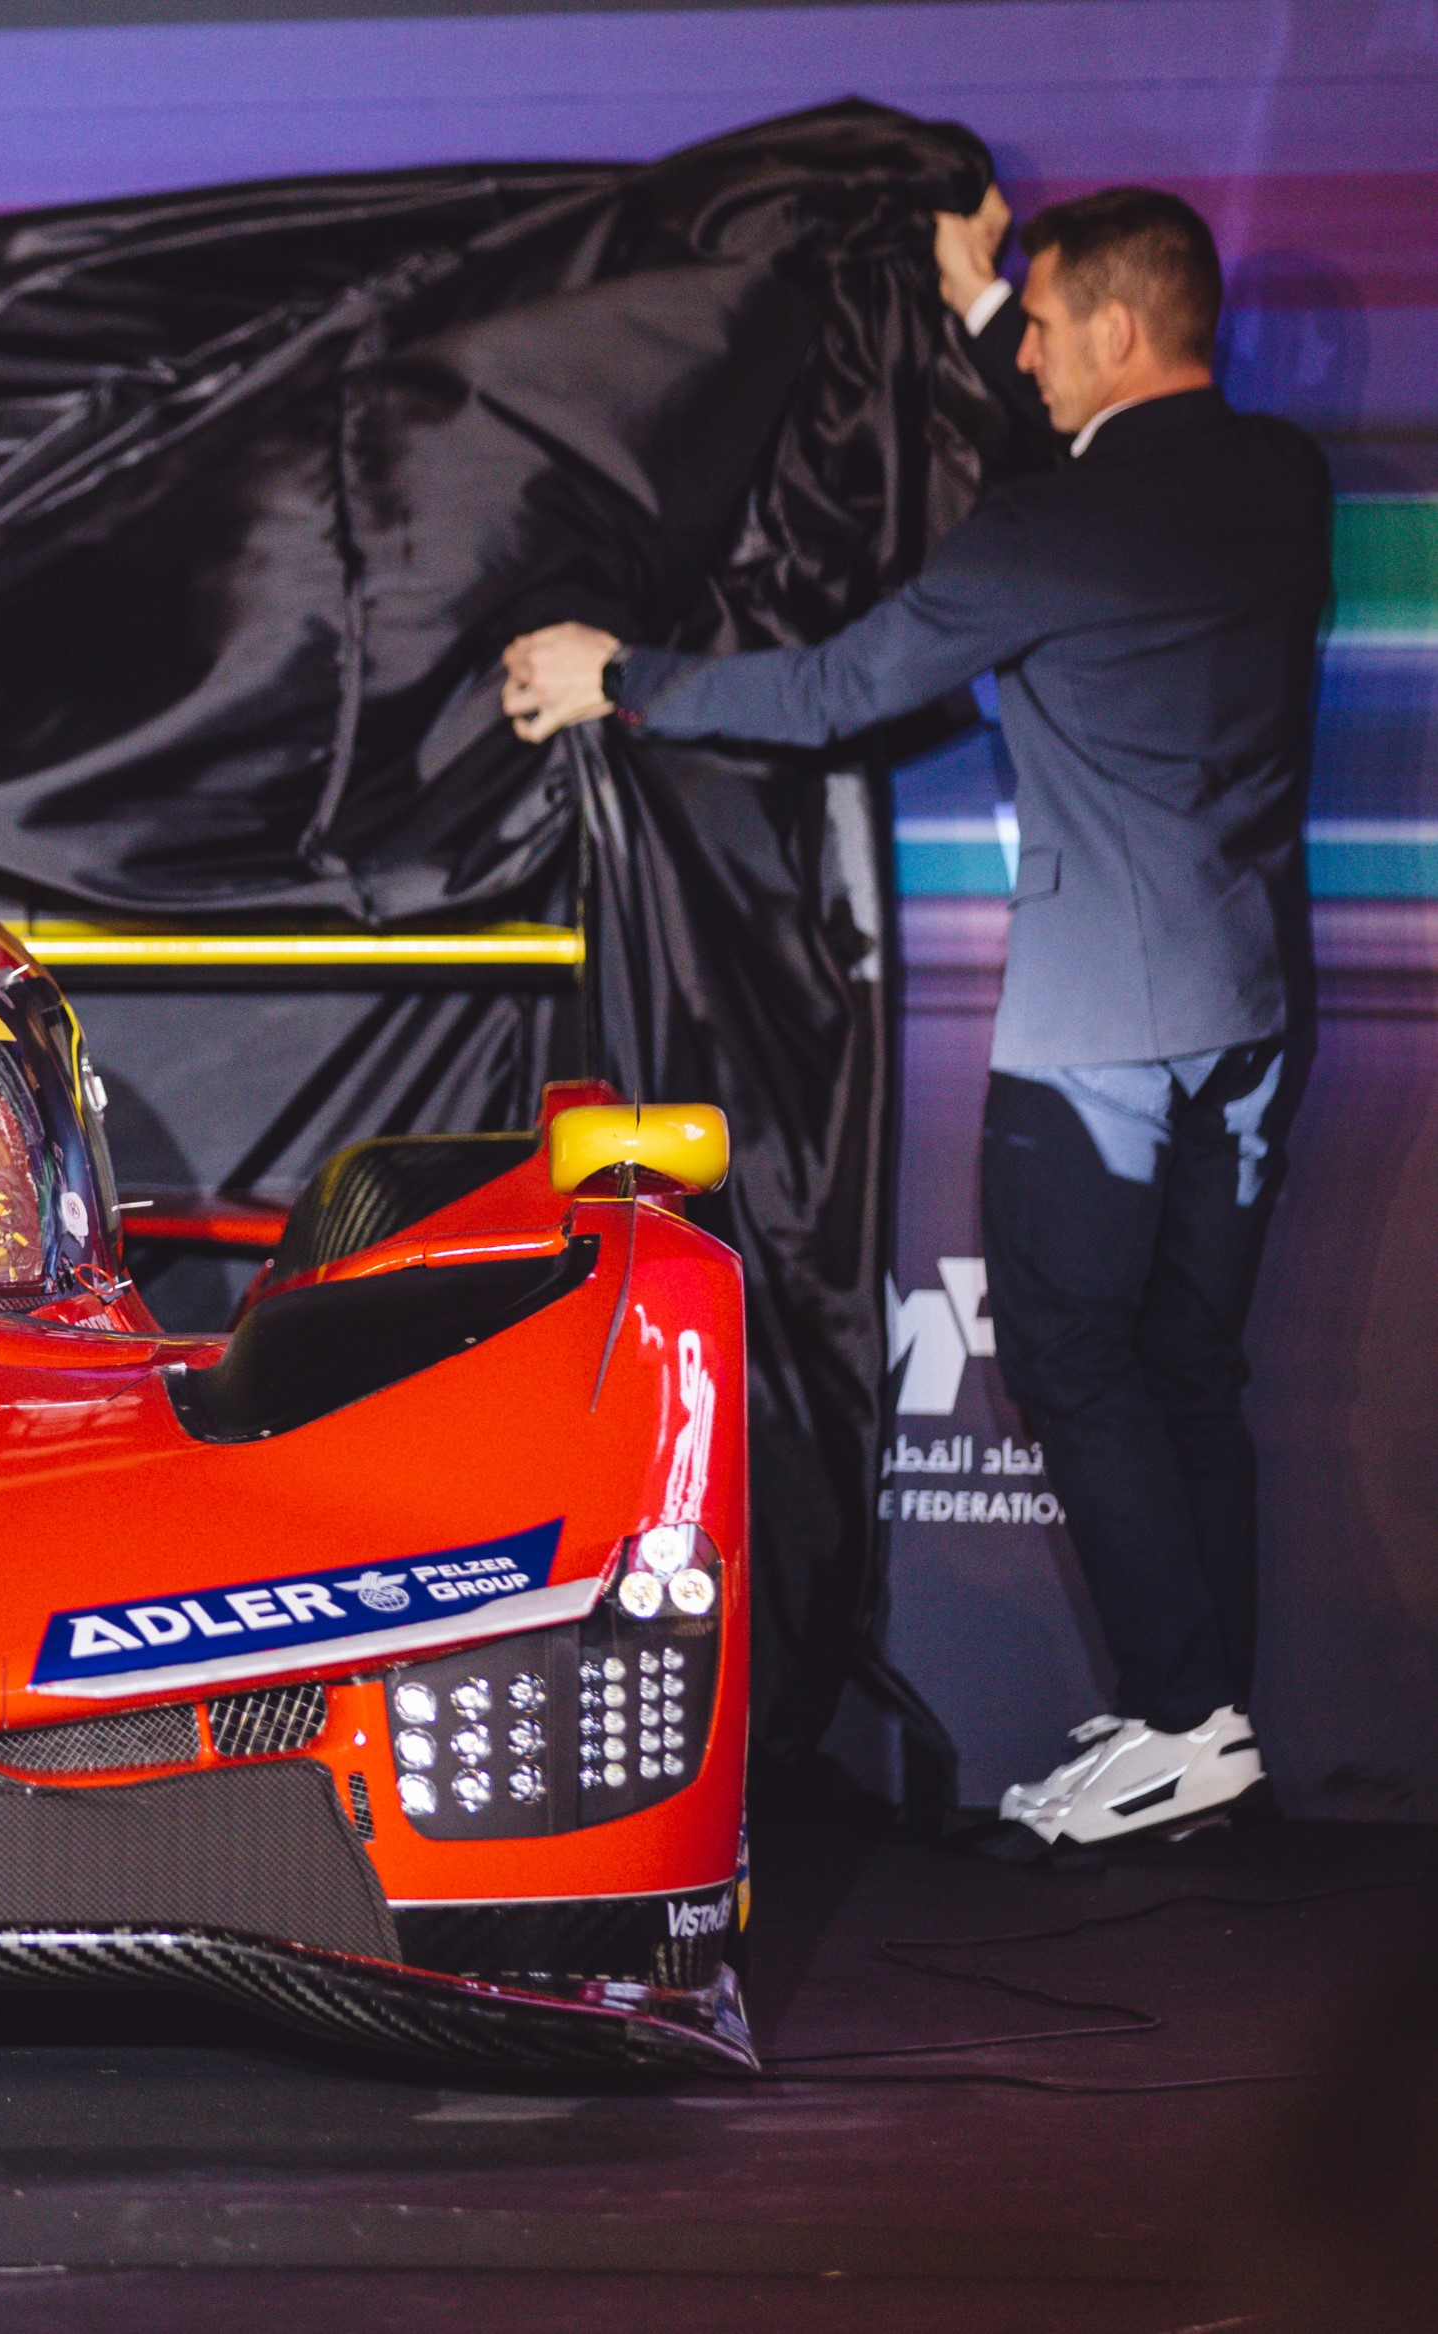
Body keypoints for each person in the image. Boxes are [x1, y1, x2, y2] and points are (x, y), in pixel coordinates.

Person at [500, 187, 1329, 1851]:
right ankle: (1204, 1710)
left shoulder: (1038, 536)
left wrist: (619, 673)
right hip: (1249, 1012)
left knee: (1081, 1360)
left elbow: (828, 690)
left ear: (1106, 327)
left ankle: (1177, 1721)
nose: (1018, 359)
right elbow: (1100, 505)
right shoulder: (1278, 484)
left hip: (1095, 1034)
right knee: (1181, 1367)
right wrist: (961, 323)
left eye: (1032, 329)